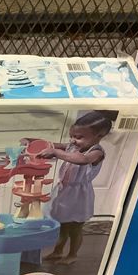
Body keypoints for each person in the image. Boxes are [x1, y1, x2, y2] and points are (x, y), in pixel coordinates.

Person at [37, 111, 113, 265]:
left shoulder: (96, 152)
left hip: (79, 195)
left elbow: (82, 160)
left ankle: (72, 254)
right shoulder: (72, 146)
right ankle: (58, 251)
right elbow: (54, 145)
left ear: (99, 136)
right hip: (64, 192)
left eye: (79, 137)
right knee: (62, 225)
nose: (73, 140)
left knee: (75, 228)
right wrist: (34, 142)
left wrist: (56, 152)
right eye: (72, 136)